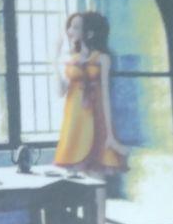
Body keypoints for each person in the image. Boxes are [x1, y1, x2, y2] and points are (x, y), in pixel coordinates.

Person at [53, 12, 128, 173]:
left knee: (96, 169)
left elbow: (106, 97)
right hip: (74, 118)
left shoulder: (102, 58)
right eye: (69, 27)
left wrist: (110, 134)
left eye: (75, 27)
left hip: (95, 115)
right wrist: (55, 60)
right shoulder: (71, 59)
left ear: (89, 33)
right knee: (76, 169)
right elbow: (60, 92)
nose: (70, 31)